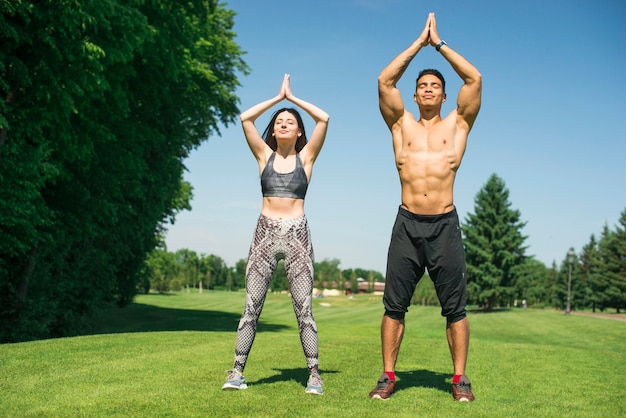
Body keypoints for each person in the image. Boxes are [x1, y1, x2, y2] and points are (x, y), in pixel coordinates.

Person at [369, 13, 482, 401]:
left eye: (435, 85)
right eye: (422, 85)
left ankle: (459, 379)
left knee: (456, 308)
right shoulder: (401, 125)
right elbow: (385, 81)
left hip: (444, 225)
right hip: (407, 224)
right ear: (414, 95)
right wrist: (419, 43)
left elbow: (475, 80)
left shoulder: (459, 125)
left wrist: (440, 45)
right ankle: (387, 376)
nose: (429, 89)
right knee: (394, 305)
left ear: (444, 96)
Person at [222, 74, 330, 395]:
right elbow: (245, 118)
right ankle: (237, 372)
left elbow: (323, 118)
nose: (283, 123)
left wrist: (292, 99)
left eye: (290, 122)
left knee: (303, 309)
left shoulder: (306, 158)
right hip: (264, 236)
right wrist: (276, 98)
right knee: (251, 306)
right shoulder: (263, 157)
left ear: (299, 131)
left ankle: (314, 375)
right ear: (273, 130)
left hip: (297, 236)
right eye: (279, 121)